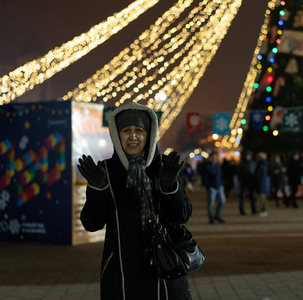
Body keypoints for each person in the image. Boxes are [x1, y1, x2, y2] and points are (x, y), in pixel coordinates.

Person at [77, 102, 192, 299]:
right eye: (126, 131)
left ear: (149, 136)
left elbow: (182, 215)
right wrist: (98, 188)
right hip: (121, 276)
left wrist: (169, 187)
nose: (133, 136)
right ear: (116, 135)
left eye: (139, 130)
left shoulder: (163, 168)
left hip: (163, 274)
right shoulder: (106, 172)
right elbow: (91, 223)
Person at [203, 150, 226, 224]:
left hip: (219, 186)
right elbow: (205, 177)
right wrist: (208, 186)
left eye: (216, 158)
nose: (215, 159)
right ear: (210, 158)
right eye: (213, 158)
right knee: (210, 204)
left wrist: (222, 184)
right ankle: (211, 218)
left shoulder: (218, 166)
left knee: (222, 201)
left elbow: (220, 175)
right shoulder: (207, 166)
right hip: (212, 188)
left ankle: (217, 215)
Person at [237, 150, 257, 215]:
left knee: (253, 196)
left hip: (251, 182)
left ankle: (253, 209)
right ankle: (241, 210)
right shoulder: (242, 164)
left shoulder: (253, 163)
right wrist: (241, 181)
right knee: (242, 197)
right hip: (244, 182)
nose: (247, 157)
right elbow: (239, 173)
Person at [255, 152, 269, 217]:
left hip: (260, 183)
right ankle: (263, 210)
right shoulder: (264, 164)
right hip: (263, 182)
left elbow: (258, 175)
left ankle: (263, 210)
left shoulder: (260, 165)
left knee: (261, 198)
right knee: (263, 197)